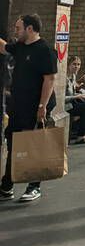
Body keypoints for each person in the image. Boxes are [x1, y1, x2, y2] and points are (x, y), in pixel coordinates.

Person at [0, 14, 58, 202]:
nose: (15, 32)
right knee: (14, 142)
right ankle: (7, 185)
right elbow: (3, 47)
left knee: (33, 144)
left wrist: (42, 106)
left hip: (36, 106)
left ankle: (34, 187)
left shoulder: (45, 50)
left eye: (18, 28)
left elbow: (49, 79)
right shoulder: (20, 47)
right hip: (18, 105)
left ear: (30, 29)